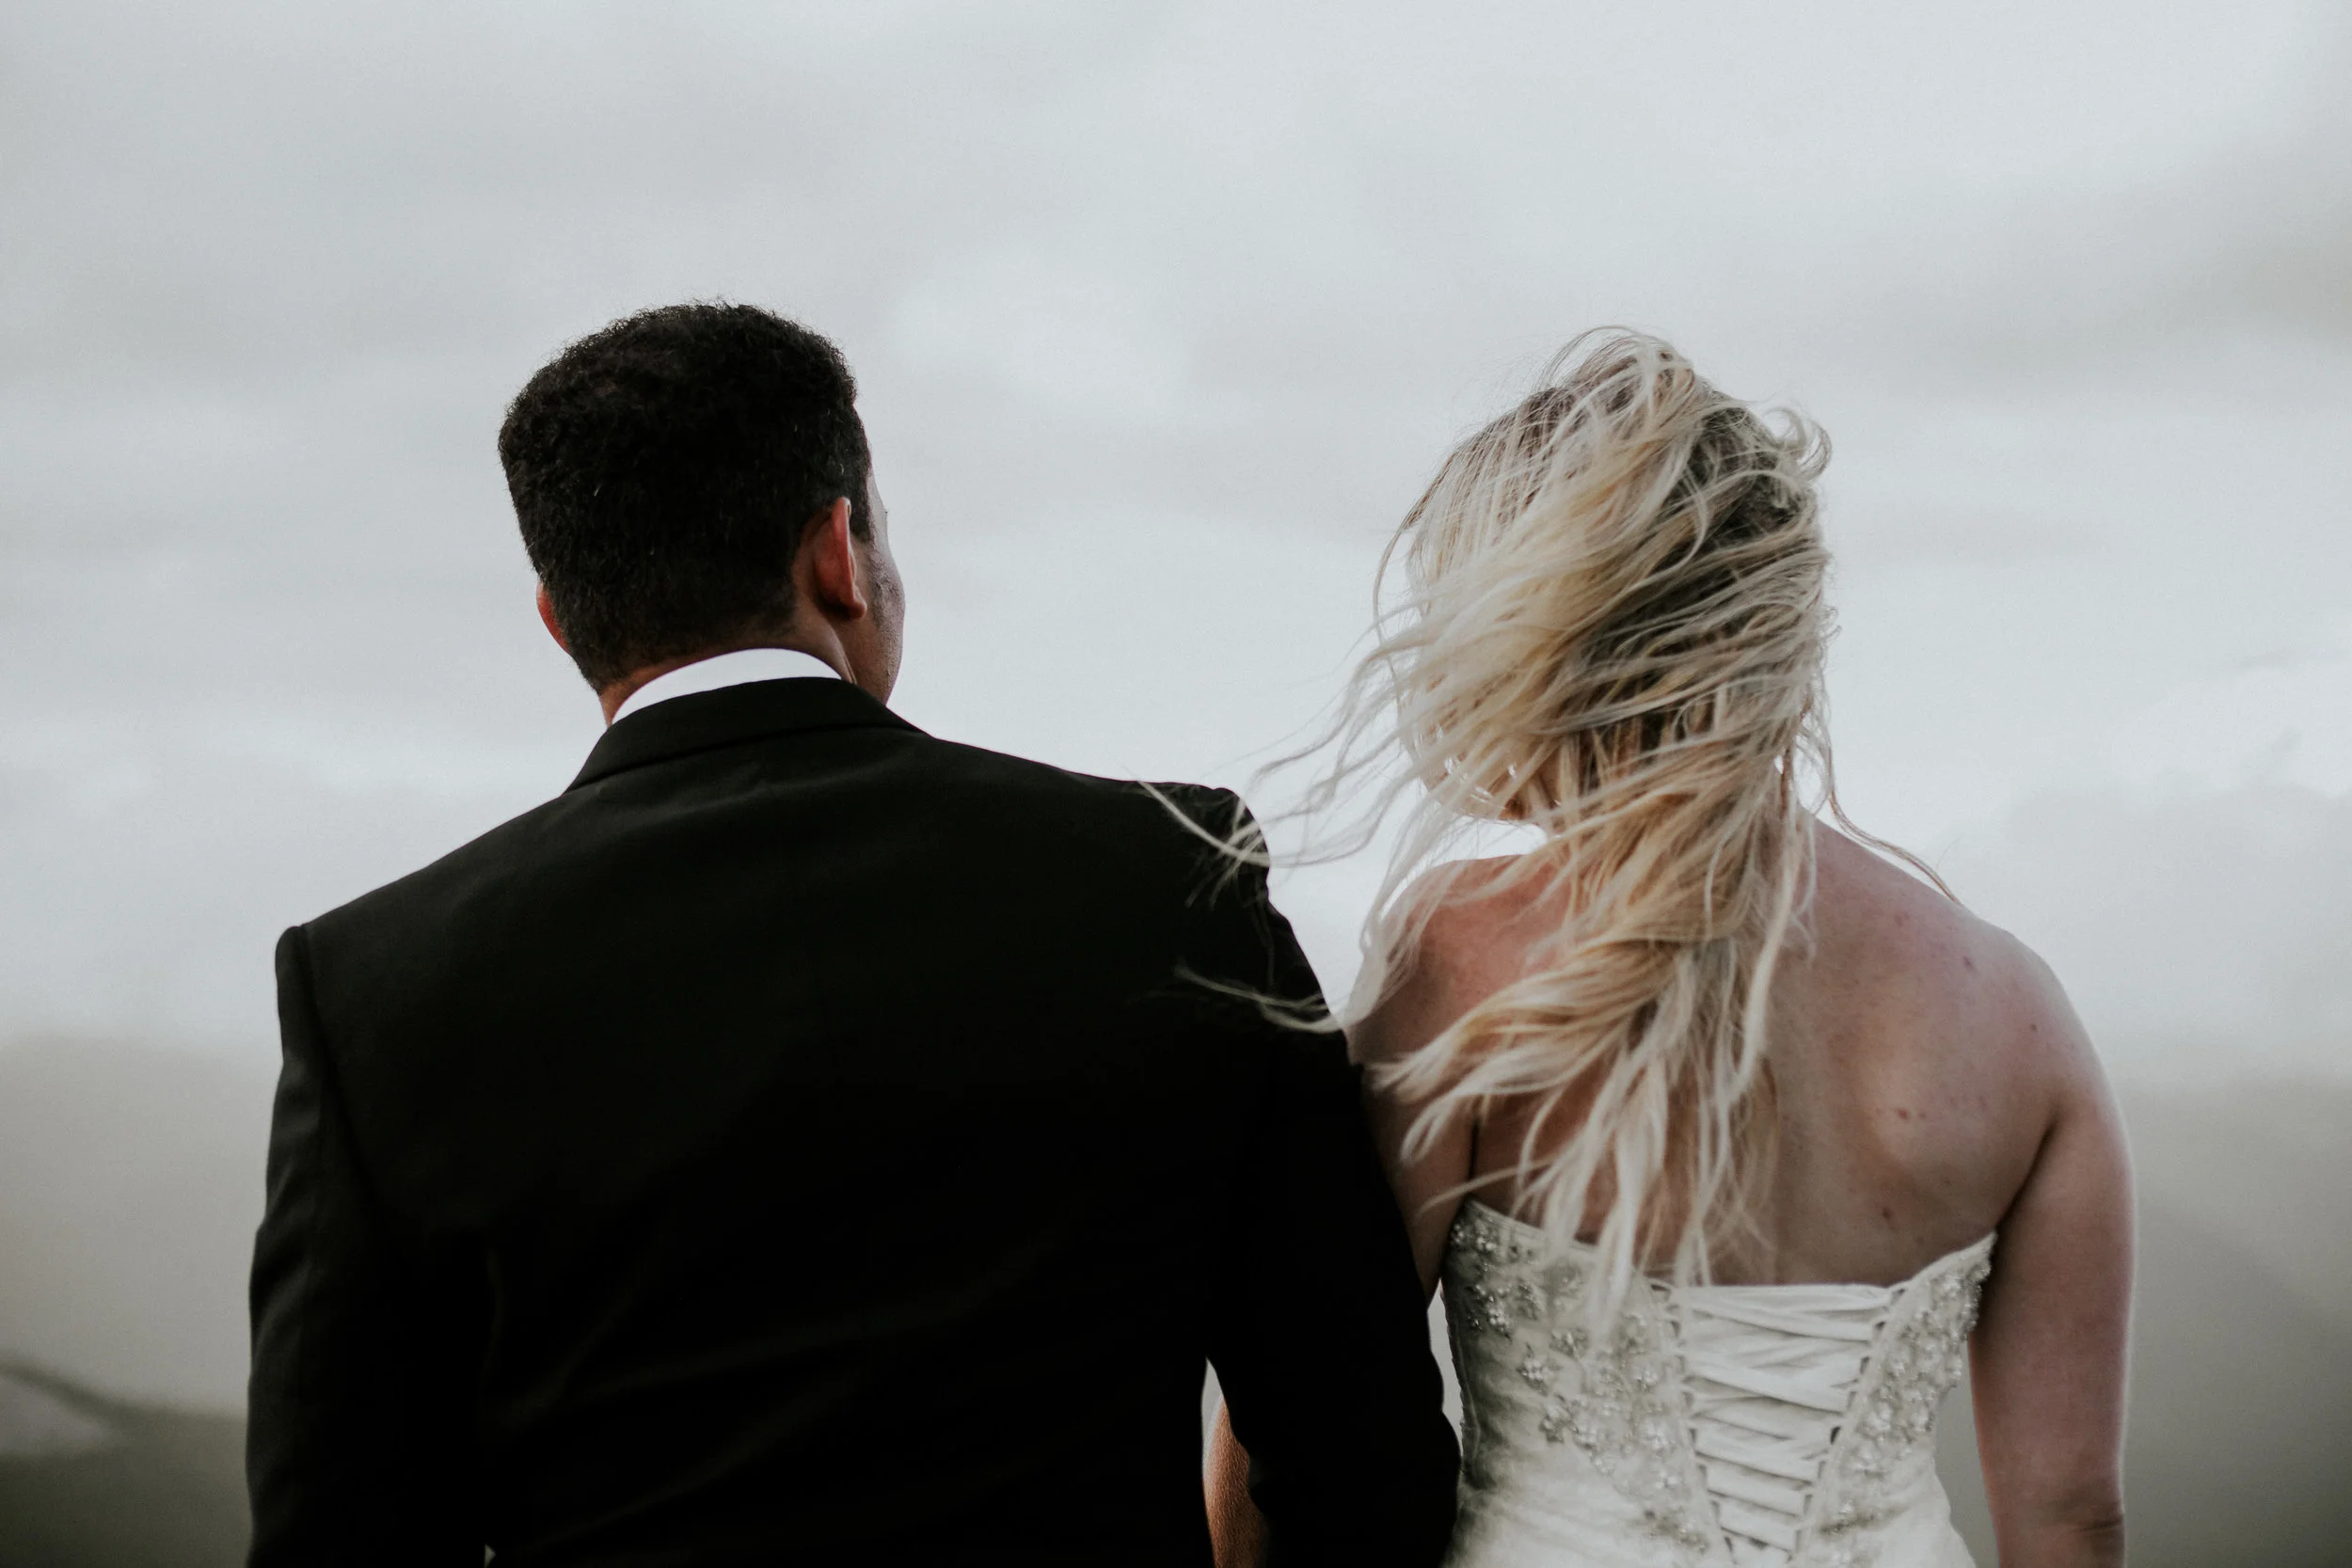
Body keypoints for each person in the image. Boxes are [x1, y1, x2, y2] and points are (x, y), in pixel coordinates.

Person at [245, 302, 1459, 1566]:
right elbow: (1358, 1455)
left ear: (559, 616)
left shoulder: (372, 986)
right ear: (838, 552)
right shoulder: (1174, 876)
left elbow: (335, 1532)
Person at [1207, 332, 2132, 1568]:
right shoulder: (2017, 1013)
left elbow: (1303, 1419)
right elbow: (2071, 1515)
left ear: (1538, 636)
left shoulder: (1465, 959)